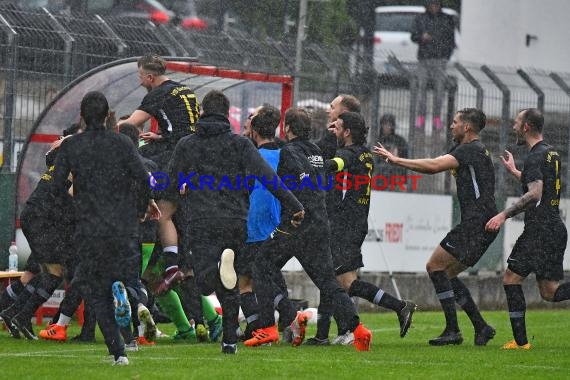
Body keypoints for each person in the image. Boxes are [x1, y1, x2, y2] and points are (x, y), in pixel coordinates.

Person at [166, 90, 305, 354]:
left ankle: (217, 271)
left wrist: (170, 192)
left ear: (203, 112)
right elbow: (267, 176)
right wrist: (294, 204)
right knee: (232, 283)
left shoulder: (187, 144)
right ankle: (229, 340)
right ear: (227, 114)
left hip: (201, 219)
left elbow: (171, 180)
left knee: (206, 282)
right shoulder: (241, 145)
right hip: (235, 220)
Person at [245, 108, 372, 351]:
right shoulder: (315, 150)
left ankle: (268, 329)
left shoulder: (290, 153)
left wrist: (295, 209)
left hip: (297, 224)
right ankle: (359, 330)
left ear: (288, 129)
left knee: (261, 264)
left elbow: (301, 182)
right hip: (320, 224)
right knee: (327, 282)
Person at [51, 91, 160, 365]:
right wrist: (139, 209)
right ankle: (129, 297)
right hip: (123, 227)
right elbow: (144, 180)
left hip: (90, 229)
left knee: (96, 291)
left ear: (82, 116)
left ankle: (119, 352)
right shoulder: (123, 143)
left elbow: (56, 188)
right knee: (129, 278)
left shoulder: (72, 146)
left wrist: (76, 209)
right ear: (108, 114)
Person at [374, 108, 498, 346]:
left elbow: (433, 166)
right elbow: (437, 162)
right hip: (482, 222)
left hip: (477, 222)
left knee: (434, 266)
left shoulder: (471, 149)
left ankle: (453, 330)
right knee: (447, 273)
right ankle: (481, 327)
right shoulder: (469, 149)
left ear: (467, 127)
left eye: (455, 122)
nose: (451, 126)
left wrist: (397, 159)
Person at [306, 112, 416, 346]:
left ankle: (396, 308)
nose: (334, 131)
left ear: (347, 132)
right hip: (355, 222)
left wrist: (310, 162)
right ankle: (330, 333)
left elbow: (335, 164)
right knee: (337, 280)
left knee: (342, 282)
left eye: (338, 128)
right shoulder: (365, 153)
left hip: (346, 226)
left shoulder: (348, 153)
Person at [486, 108, 570, 350]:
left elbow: (535, 193)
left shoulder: (534, 156)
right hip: (554, 228)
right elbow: (541, 184)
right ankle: (521, 342)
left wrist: (503, 214)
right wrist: (516, 173)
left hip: (540, 230)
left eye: (516, 123)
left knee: (511, 279)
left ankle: (521, 343)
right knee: (549, 292)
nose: (513, 127)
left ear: (526, 127)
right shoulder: (551, 153)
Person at [118, 54, 200, 299]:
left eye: (140, 76)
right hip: (190, 156)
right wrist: (163, 136)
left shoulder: (156, 94)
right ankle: (180, 265)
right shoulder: (185, 90)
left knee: (161, 214)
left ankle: (171, 266)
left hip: (176, 157)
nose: (139, 80)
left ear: (150, 77)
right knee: (175, 214)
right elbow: (187, 128)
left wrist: (89, 136)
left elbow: (128, 126)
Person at [0, 124, 81, 340]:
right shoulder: (76, 163)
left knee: (40, 272)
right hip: (43, 219)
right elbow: (73, 194)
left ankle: (14, 314)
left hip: (39, 217)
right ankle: (20, 315)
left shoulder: (61, 160)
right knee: (55, 272)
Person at [411, 0, 456, 129]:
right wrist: (421, 37)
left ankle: (437, 118)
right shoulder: (421, 18)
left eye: (437, 4)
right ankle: (421, 117)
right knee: (422, 89)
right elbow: (413, 36)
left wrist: (446, 55)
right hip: (424, 59)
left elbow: (451, 40)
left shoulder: (446, 19)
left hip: (440, 59)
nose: (434, 7)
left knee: (439, 90)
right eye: (432, 4)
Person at [316, 94, 361, 159]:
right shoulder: (359, 145)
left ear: (344, 113)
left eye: (332, 108)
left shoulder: (335, 143)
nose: (327, 111)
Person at [374, 113, 409, 183]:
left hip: (396, 175)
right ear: (381, 125)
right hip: (379, 176)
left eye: (389, 124)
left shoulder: (400, 141)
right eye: (385, 124)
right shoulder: (376, 140)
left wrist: (396, 154)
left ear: (393, 126)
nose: (387, 127)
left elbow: (405, 159)